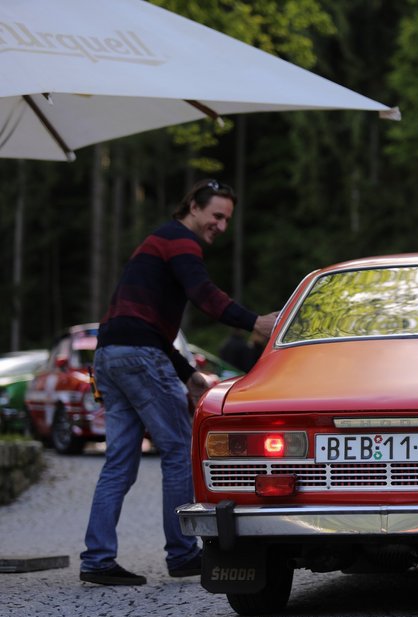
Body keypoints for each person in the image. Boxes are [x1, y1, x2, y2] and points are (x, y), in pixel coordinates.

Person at [80, 179, 279, 585]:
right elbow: (204, 294)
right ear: (193, 207)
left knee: (119, 462)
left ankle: (97, 559)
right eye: (216, 215)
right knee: (178, 451)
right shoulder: (180, 242)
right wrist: (254, 322)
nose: (221, 225)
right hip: (137, 356)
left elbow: (143, 327)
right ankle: (183, 553)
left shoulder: (157, 242)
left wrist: (187, 374)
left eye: (227, 219)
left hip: (109, 355)